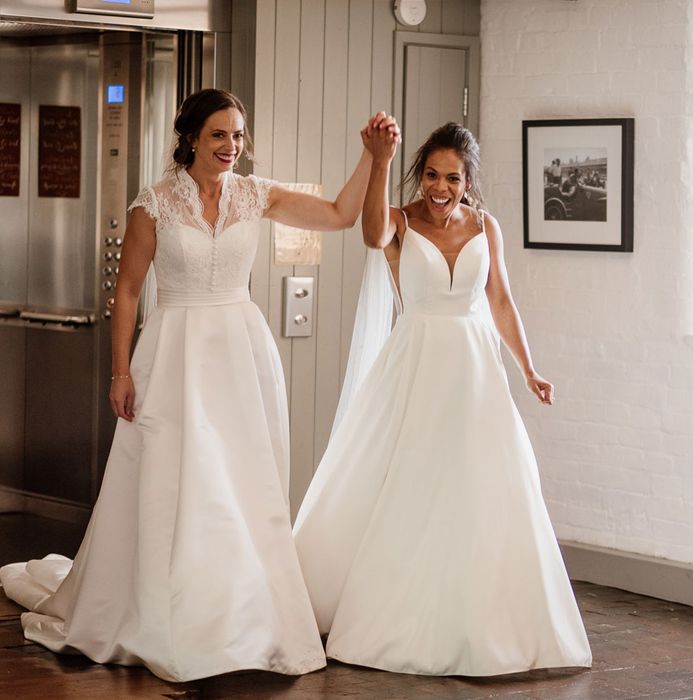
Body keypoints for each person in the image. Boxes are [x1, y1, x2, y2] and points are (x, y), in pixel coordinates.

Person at [0, 89, 399, 682]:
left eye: (238, 135)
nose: (231, 147)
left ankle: (236, 617)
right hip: (174, 355)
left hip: (242, 355)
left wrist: (375, 158)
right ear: (189, 137)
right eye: (219, 135)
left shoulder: (255, 195)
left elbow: (342, 215)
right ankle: (165, 614)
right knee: (174, 482)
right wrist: (119, 370)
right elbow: (128, 292)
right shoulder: (154, 204)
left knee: (240, 488)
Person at [293, 122, 592, 676]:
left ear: (468, 180)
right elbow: (369, 234)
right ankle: (391, 610)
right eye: (431, 174)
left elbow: (500, 299)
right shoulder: (400, 222)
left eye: (452, 178)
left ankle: (483, 617)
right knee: (410, 482)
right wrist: (380, 161)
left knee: (481, 485)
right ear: (419, 174)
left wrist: (529, 369)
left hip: (477, 372)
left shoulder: (486, 226)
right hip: (417, 365)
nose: (439, 187)